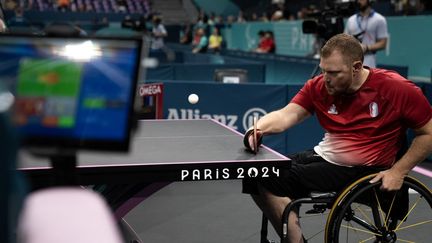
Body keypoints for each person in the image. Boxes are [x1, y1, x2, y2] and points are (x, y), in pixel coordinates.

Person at [242, 33, 432, 243]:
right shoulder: (319, 86)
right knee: (257, 171)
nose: (326, 79)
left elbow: (428, 133)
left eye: (333, 73)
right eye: (323, 70)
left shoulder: (396, 88)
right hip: (325, 156)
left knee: (269, 176)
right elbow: (288, 114)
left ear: (357, 67)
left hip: (363, 169)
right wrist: (258, 129)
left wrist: (399, 171)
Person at [345, 0, 388, 68]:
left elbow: (383, 43)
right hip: (351, 60)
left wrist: (366, 47)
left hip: (369, 60)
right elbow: (345, 40)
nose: (358, 1)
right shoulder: (351, 20)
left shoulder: (379, 19)